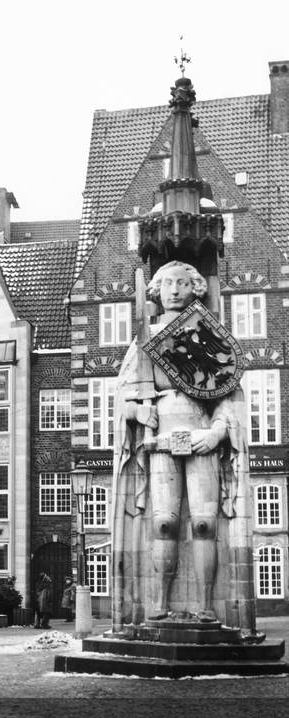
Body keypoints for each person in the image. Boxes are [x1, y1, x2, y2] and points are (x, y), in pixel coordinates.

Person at [113, 260, 250, 622]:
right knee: (164, 524)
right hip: (160, 440)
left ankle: (206, 604)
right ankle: (158, 603)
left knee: (204, 525)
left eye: (182, 283)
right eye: (167, 283)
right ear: (156, 290)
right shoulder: (145, 341)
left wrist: (218, 432)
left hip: (201, 435)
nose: (174, 290)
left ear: (195, 288)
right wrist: (135, 413)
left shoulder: (206, 334)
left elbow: (227, 397)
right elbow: (122, 396)